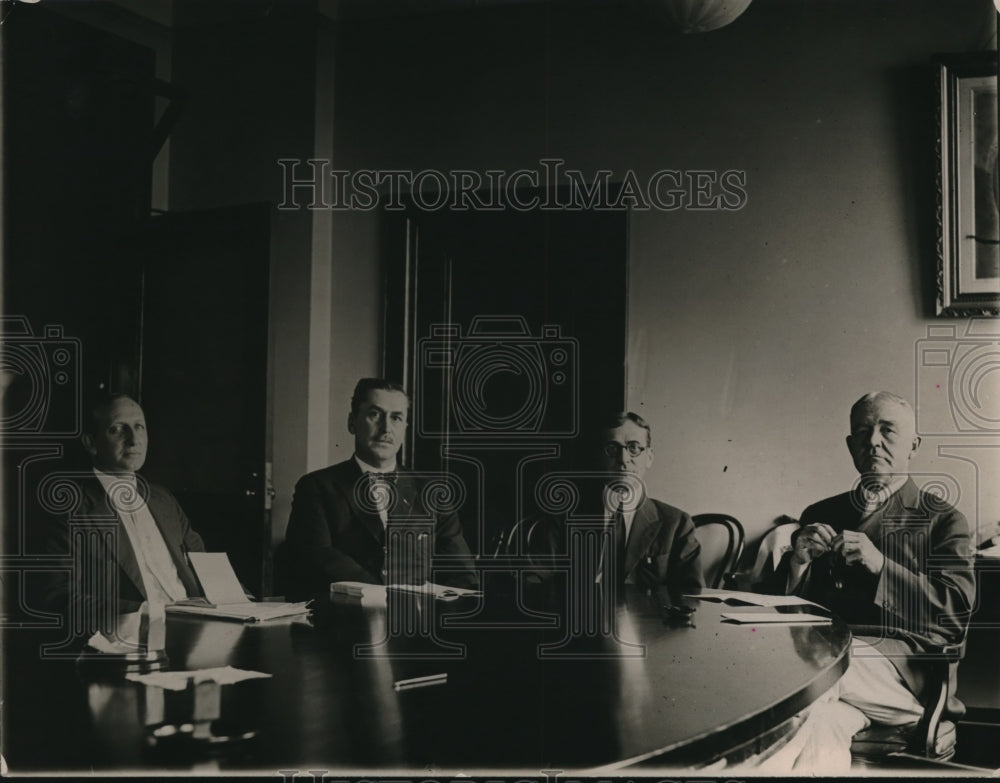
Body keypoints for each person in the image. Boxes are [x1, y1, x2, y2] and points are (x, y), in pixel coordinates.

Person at [756, 391, 975, 772]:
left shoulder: (943, 519)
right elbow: (779, 617)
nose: (873, 441)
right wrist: (798, 563)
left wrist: (880, 565)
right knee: (818, 732)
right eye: (862, 432)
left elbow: (954, 614)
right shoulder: (822, 512)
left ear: (913, 444)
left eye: (887, 430)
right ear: (850, 445)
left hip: (905, 678)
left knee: (803, 677)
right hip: (833, 678)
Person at [283, 378, 478, 596]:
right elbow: (315, 559)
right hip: (342, 620)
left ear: (404, 428)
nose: (386, 428)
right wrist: (386, 595)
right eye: (374, 414)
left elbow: (461, 574)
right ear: (352, 422)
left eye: (396, 418)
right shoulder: (317, 487)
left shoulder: (433, 493)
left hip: (414, 623)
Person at [43, 393, 206, 648]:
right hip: (130, 641)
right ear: (91, 443)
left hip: (197, 632)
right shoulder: (68, 508)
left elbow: (204, 564)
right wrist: (150, 612)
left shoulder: (163, 499)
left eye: (139, 427)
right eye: (117, 429)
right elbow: (57, 597)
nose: (133, 439)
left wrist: (242, 601)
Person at [530, 411, 704, 599]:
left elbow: (692, 593)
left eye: (634, 448)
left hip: (648, 624)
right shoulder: (565, 517)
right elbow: (533, 578)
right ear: (598, 457)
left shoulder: (677, 523)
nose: (623, 459)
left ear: (649, 457)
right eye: (612, 448)